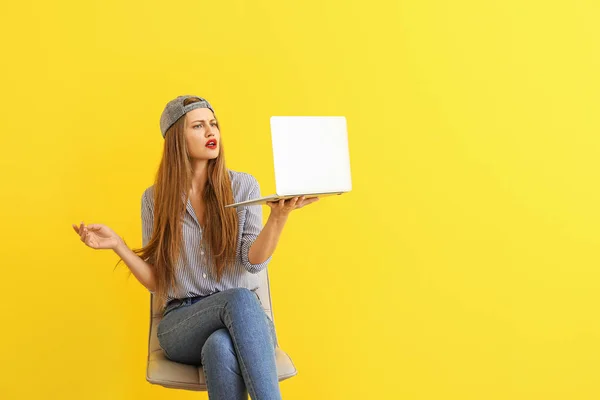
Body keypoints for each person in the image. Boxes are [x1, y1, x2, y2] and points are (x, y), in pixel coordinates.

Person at [72, 95, 318, 400]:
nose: (210, 132)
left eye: (213, 124)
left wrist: (278, 218)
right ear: (177, 138)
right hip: (182, 323)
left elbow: (252, 262)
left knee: (220, 345)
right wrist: (119, 245)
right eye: (198, 126)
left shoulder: (244, 186)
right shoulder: (154, 199)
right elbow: (159, 282)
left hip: (247, 320)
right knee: (238, 301)